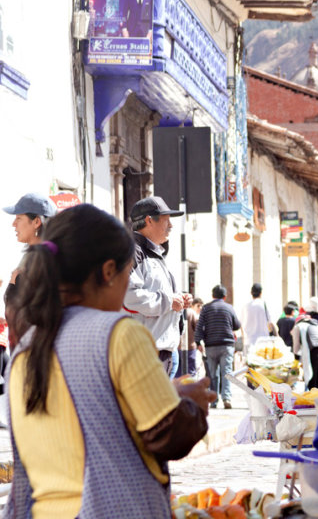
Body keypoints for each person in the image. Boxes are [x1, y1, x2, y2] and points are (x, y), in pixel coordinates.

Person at [5, 204, 214, 517]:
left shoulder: (24, 349)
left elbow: (90, 419)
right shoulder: (118, 335)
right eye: (128, 274)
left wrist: (167, 392)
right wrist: (193, 403)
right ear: (107, 272)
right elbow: (167, 434)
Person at [123, 196, 192, 379]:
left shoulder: (155, 254)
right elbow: (129, 296)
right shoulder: (133, 252)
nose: (171, 226)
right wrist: (170, 301)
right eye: (166, 220)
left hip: (161, 352)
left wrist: (178, 299)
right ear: (148, 220)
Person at [3, 193, 58, 348]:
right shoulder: (38, 256)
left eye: (19, 218)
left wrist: (14, 283)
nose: (14, 224)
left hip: (34, 351)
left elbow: (28, 312)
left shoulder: (42, 260)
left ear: (36, 222)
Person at [195, 285, 240, 409]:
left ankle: (214, 400)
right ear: (225, 297)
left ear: (212, 295)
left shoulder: (206, 308)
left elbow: (199, 326)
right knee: (227, 372)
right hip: (227, 345)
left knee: (212, 374)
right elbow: (237, 325)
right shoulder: (229, 308)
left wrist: (198, 342)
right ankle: (227, 398)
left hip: (210, 345)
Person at [292, 297, 318, 390]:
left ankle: (314, 404)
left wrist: (296, 360)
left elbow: (296, 346)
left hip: (312, 357)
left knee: (312, 388)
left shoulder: (299, 326)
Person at [241, 283, 275, 350]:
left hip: (249, 341)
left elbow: (241, 324)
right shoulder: (264, 305)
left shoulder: (246, 306)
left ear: (251, 293)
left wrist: (243, 339)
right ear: (261, 293)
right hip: (263, 341)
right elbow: (271, 323)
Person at [180, 298, 203, 378]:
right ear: (192, 305)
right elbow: (197, 329)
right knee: (191, 371)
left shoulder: (176, 311)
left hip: (177, 347)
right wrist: (198, 343)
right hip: (190, 346)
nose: (200, 308)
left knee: (179, 372)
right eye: (198, 306)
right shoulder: (191, 313)